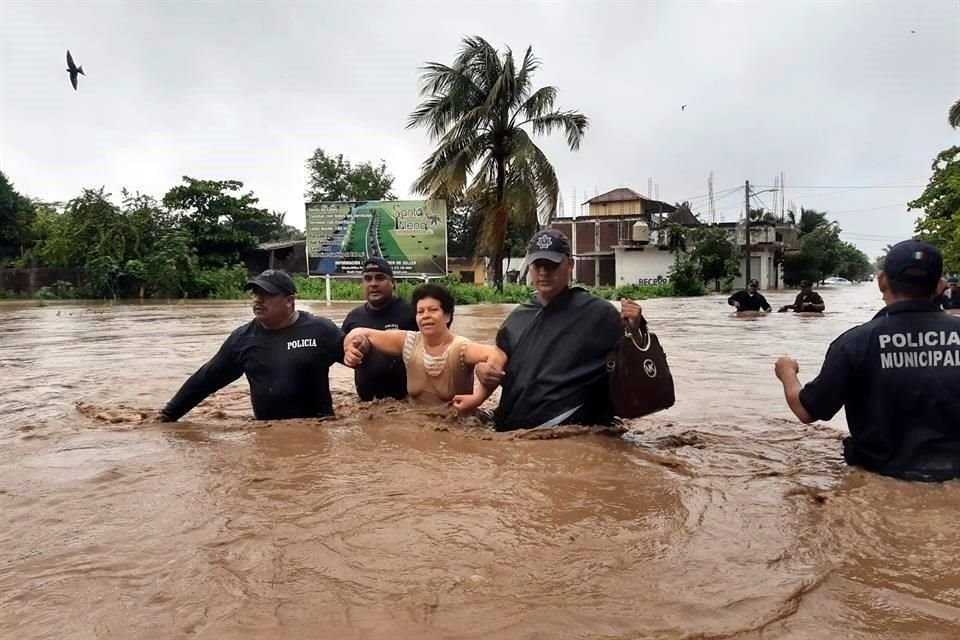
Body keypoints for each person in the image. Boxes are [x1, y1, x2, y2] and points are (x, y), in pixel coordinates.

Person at [774, 240, 960, 482]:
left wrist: (787, 372)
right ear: (940, 286)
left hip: (880, 480)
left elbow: (807, 411)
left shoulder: (855, 343)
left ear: (881, 281)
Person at [473, 228, 644, 431]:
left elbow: (637, 372)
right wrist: (483, 372)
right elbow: (498, 364)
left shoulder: (600, 315)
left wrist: (636, 330)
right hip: (512, 430)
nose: (544, 272)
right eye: (538, 265)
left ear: (570, 264)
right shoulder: (517, 318)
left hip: (575, 433)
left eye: (552, 265)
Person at [156, 270, 345, 422]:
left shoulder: (320, 330)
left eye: (267, 294)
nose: (258, 300)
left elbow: (360, 358)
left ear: (289, 300)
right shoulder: (242, 339)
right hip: (266, 435)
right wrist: (169, 414)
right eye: (255, 293)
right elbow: (206, 379)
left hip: (318, 431)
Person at [343, 283, 507, 414]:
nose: (426, 316)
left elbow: (496, 355)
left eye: (433, 310)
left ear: (448, 315)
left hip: (458, 429)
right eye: (420, 311)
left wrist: (478, 398)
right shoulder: (408, 342)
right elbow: (360, 332)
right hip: (415, 424)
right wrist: (351, 347)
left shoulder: (460, 348)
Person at [341, 257, 417, 401]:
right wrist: (348, 356)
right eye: (367, 279)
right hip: (366, 405)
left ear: (393, 283)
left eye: (380, 278)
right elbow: (341, 353)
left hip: (407, 403)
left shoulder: (412, 313)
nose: (373, 284)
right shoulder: (353, 318)